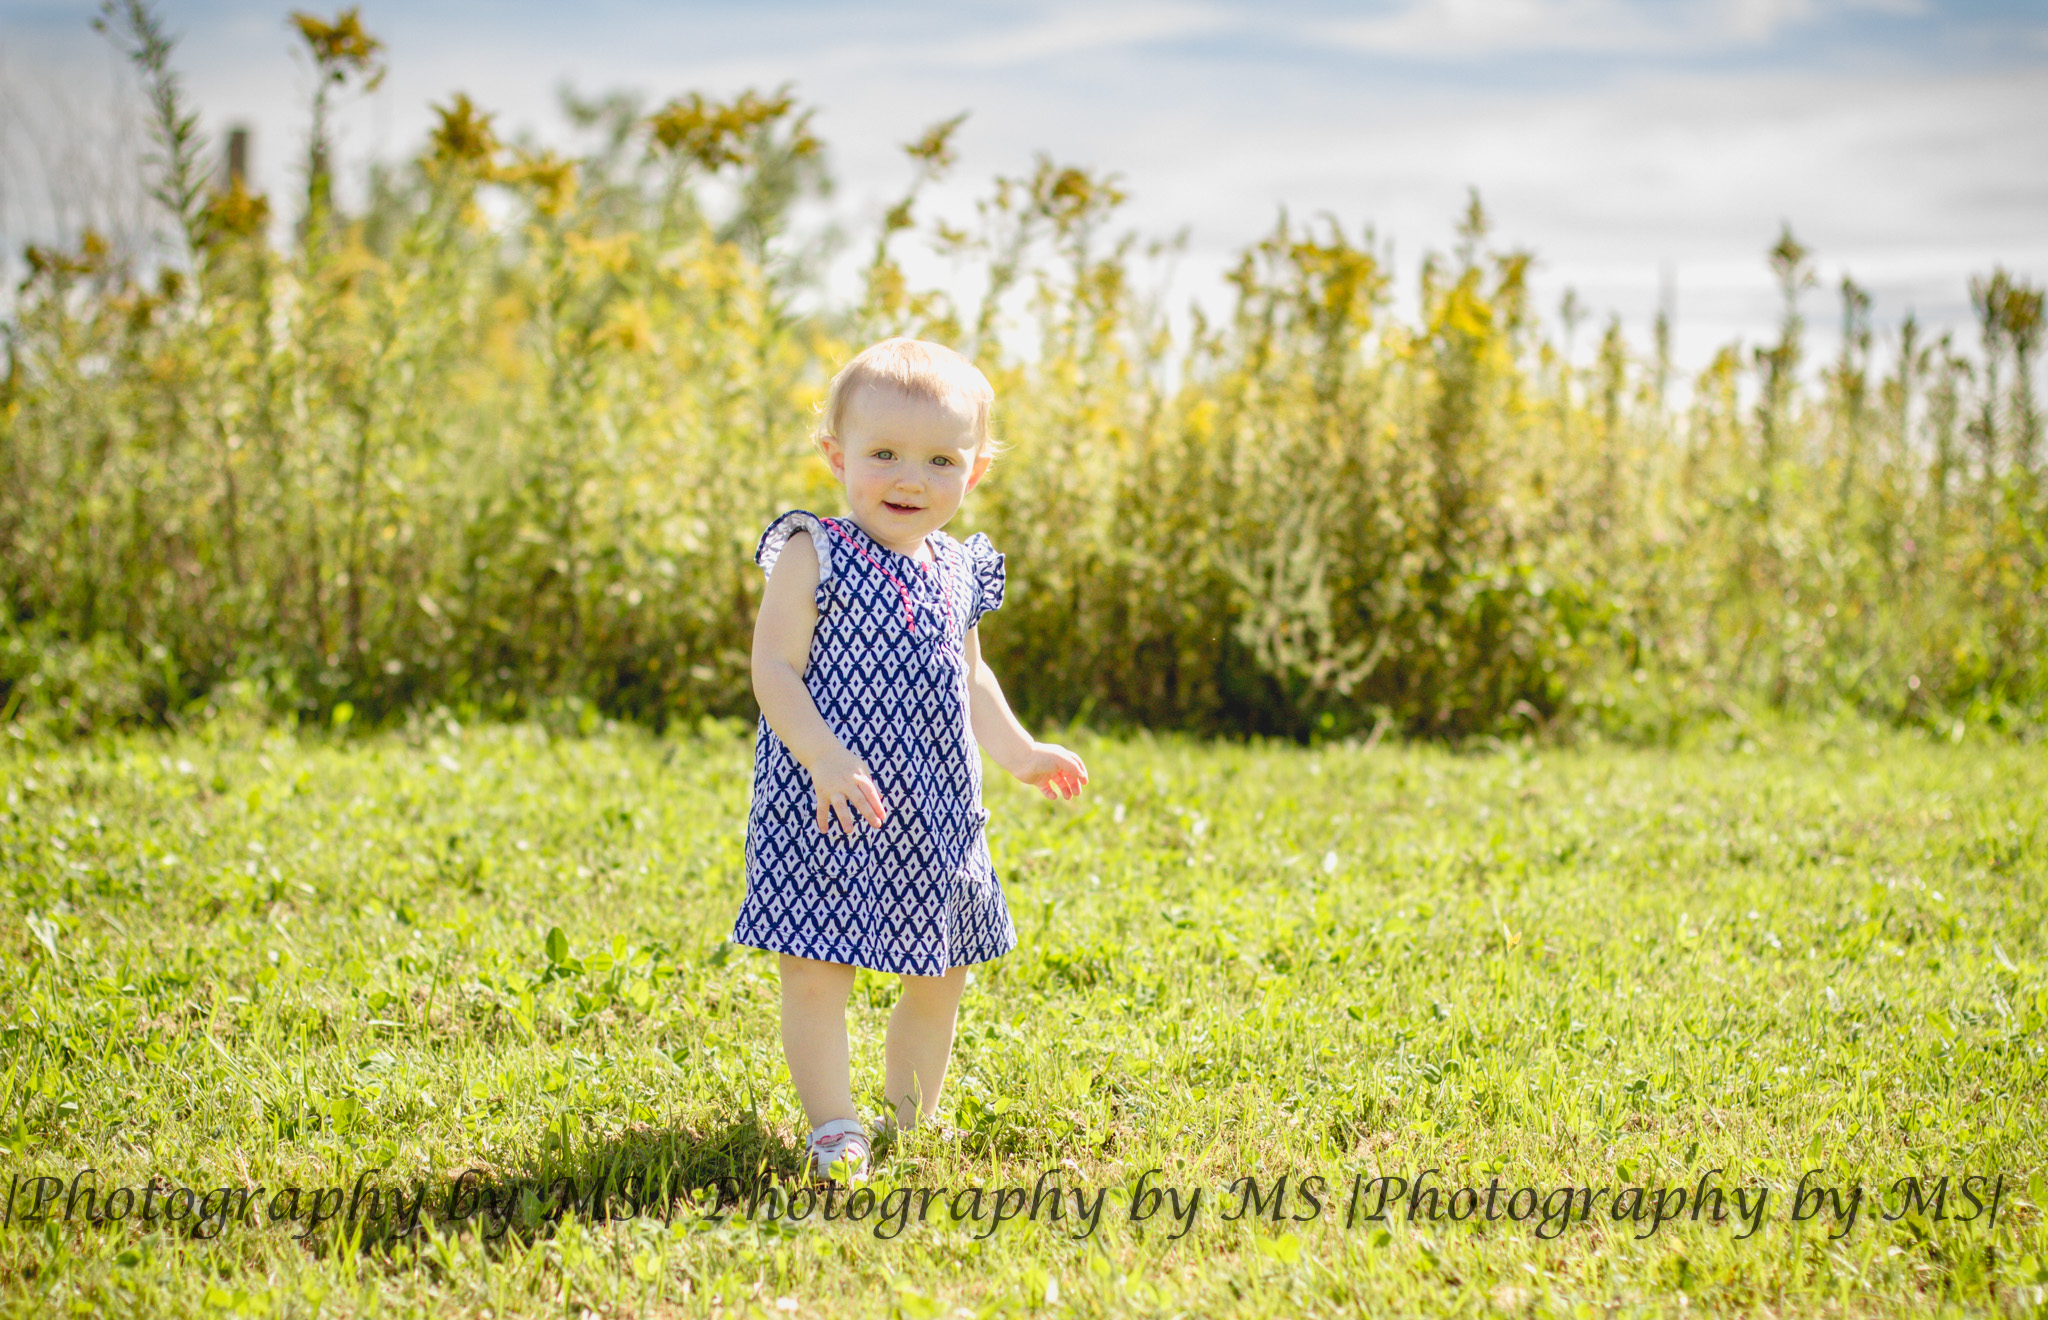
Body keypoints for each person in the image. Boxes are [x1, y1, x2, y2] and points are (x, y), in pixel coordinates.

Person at [731, 337, 1089, 1185]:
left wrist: (1022, 752)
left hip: (933, 815)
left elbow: (971, 677)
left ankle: (909, 1119)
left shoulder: (960, 569)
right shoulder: (812, 550)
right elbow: (773, 668)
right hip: (827, 803)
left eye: (940, 460)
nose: (910, 478)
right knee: (818, 971)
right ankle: (834, 1128)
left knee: (941, 972)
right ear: (837, 456)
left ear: (974, 472)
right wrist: (822, 755)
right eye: (884, 454)